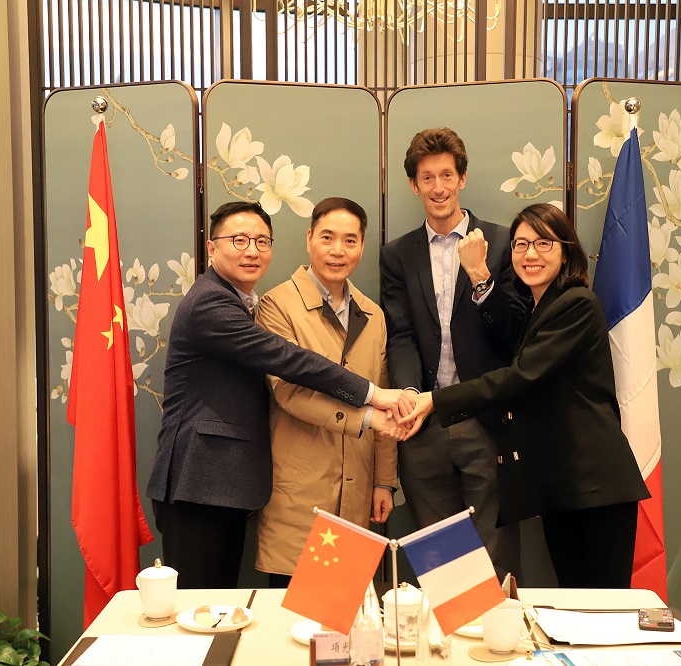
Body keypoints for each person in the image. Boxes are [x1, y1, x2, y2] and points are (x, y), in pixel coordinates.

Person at [146, 201, 407, 589]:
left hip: (234, 483)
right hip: (200, 481)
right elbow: (289, 364)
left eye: (261, 241)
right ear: (212, 247)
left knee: (231, 605)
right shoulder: (217, 303)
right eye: (239, 240)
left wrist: (383, 479)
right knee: (200, 609)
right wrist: (371, 398)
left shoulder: (368, 314)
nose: (251, 251)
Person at [398, 203, 651, 588]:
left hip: (595, 485)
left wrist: (436, 400)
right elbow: (505, 332)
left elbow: (519, 377)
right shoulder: (537, 309)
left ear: (566, 251)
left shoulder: (577, 304)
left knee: (603, 606)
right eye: (520, 244)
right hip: (560, 484)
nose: (530, 254)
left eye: (543, 243)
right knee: (572, 603)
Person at [379, 128, 527, 580]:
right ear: (414, 185)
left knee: (495, 557)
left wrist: (481, 275)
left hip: (486, 420)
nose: (438, 187)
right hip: (423, 422)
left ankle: (499, 627)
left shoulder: (502, 242)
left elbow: (514, 335)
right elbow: (401, 335)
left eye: (447, 175)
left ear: (462, 178)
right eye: (427, 177)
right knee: (442, 563)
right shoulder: (397, 255)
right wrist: (408, 394)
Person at [254, 197, 398, 588]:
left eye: (350, 241)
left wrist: (384, 480)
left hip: (357, 492)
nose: (338, 250)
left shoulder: (373, 315)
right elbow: (289, 392)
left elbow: (383, 394)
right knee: (293, 617)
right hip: (301, 494)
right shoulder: (277, 306)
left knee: (348, 617)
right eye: (327, 237)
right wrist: (366, 417)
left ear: (362, 247)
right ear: (309, 239)